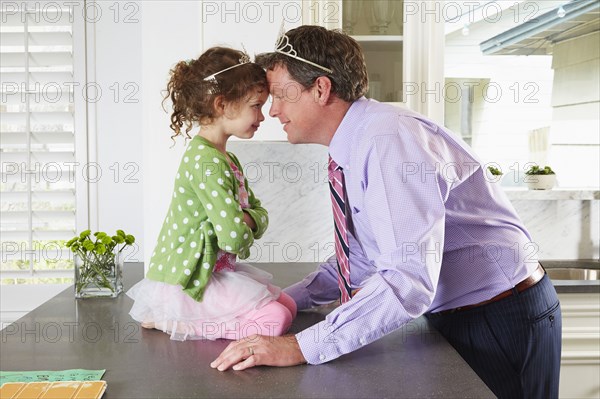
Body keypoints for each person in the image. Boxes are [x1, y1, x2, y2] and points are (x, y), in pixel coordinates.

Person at [210, 26, 561, 399]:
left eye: (281, 95)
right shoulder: (358, 141)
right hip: (469, 314)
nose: (273, 110)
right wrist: (284, 301)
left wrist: (301, 346)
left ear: (321, 88)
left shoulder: (388, 141)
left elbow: (408, 278)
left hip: (501, 317)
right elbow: (360, 260)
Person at [128, 47, 296, 341]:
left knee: (288, 305)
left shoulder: (225, 159)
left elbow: (257, 214)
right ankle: (177, 321)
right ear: (222, 104)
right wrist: (247, 221)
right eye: (256, 105)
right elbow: (233, 236)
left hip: (214, 270)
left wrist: (246, 219)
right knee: (277, 317)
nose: (263, 115)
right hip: (193, 278)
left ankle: (176, 318)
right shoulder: (207, 162)